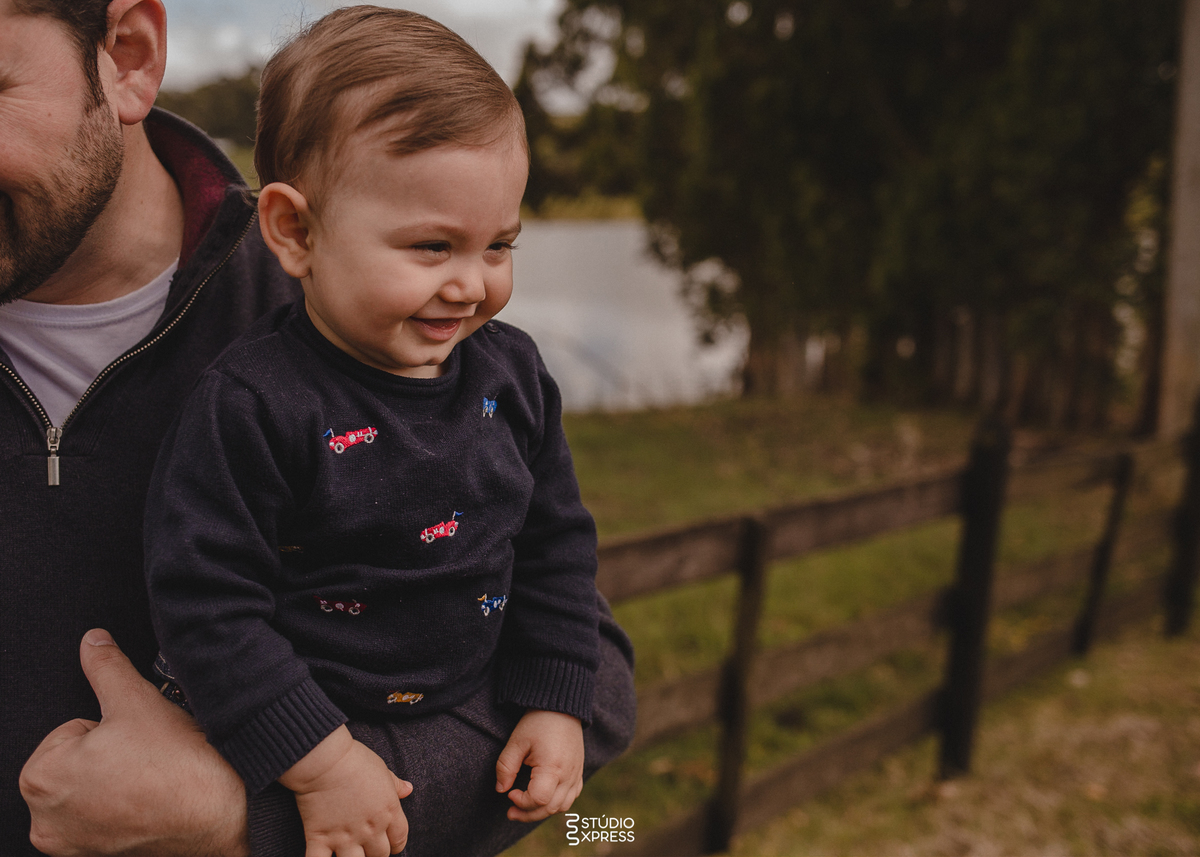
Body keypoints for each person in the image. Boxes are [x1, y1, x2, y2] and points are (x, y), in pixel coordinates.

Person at [0, 1, 634, 855]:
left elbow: (571, 607)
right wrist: (322, 767)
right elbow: (209, 599)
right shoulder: (254, 402)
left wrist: (241, 816)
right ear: (295, 227)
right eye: (432, 247)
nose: (471, 286)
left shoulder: (495, 372)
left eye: (499, 246)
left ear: (128, 54)